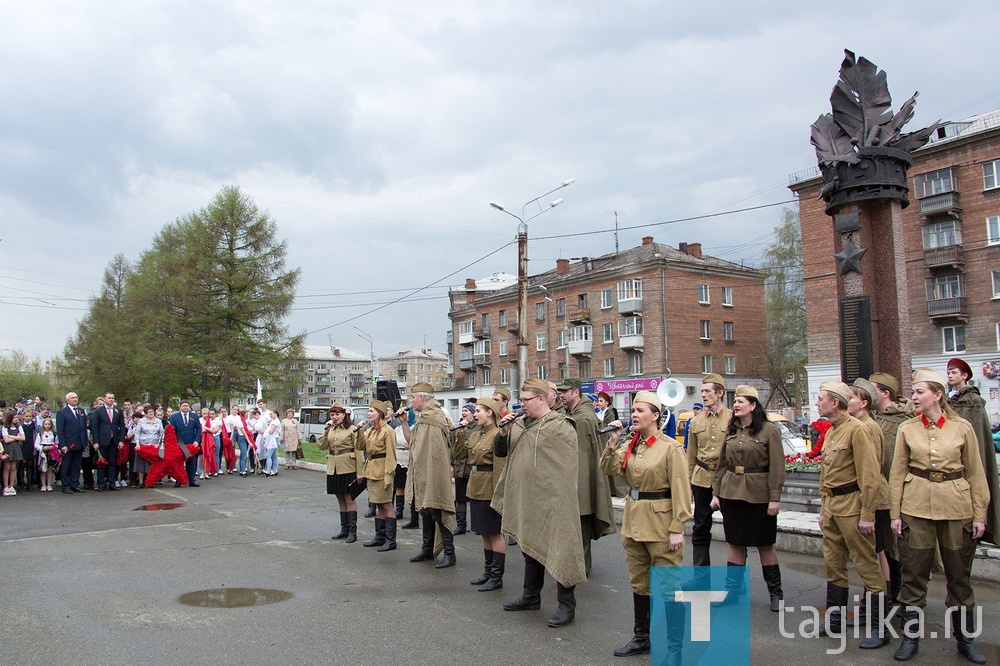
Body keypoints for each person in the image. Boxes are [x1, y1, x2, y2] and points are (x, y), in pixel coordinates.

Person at [890, 368, 990, 663]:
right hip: (916, 507)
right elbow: (897, 474)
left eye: (920, 392)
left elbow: (975, 472)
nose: (914, 397)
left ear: (938, 395)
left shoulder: (961, 428)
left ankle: (965, 639)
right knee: (914, 574)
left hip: (957, 508)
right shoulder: (907, 428)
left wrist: (979, 514)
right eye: (914, 392)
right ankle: (910, 639)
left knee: (959, 576)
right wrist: (895, 513)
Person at [600, 390, 690, 657]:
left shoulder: (670, 448)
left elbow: (682, 491)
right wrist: (612, 441)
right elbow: (609, 468)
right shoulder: (631, 444)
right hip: (635, 521)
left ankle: (675, 646)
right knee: (639, 583)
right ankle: (642, 637)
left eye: (640, 410)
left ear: (655, 415)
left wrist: (677, 528)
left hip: (662, 524)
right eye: (633, 410)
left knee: (669, 587)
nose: (634, 415)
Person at [492, 378, 585, 628]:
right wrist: (502, 433)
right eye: (520, 400)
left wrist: (555, 492)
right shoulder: (520, 424)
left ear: (541, 399)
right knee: (529, 547)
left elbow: (565, 464)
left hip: (555, 500)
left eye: (525, 400)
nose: (521, 404)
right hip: (527, 496)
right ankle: (531, 596)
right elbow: (501, 452)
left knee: (561, 547)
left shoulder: (561, 426)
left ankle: (567, 606)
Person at [814, 381, 886, 649]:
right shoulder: (833, 431)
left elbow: (870, 476)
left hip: (853, 505)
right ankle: (835, 621)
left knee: (867, 564)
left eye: (821, 399)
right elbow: (826, 475)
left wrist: (868, 513)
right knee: (833, 564)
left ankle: (880, 627)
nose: (817, 403)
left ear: (835, 403)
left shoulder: (858, 430)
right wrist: (824, 509)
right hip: (833, 506)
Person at [710, 385, 785, 612]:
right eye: (736, 401)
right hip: (732, 493)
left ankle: (775, 592)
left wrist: (774, 498)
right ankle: (732, 592)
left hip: (759, 494)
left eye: (742, 401)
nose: (737, 405)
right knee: (735, 543)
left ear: (753, 405)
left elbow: (777, 466)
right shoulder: (731, 430)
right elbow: (722, 463)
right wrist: (716, 493)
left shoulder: (769, 430)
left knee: (764, 544)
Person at [558, 378, 616, 576]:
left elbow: (581, 455)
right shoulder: (573, 413)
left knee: (581, 522)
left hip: (580, 479)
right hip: (575, 478)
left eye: (565, 392)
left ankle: (581, 566)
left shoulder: (582, 418)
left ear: (575, 393)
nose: (561, 395)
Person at [869, 371, 915, 606]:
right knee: (885, 543)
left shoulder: (902, 421)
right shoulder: (875, 418)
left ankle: (901, 593)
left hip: (900, 492)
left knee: (900, 545)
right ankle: (890, 592)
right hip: (881, 493)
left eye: (873, 389)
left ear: (885, 393)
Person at [946, 357, 1000, 546]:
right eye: (949, 372)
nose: (950, 375)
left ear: (965, 375)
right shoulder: (950, 399)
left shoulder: (973, 400)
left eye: (954, 372)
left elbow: (976, 431)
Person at [849, 379, 893, 608]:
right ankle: (877, 599)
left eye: (852, 397)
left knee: (876, 551)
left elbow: (873, 467)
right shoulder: (860, 424)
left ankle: (879, 601)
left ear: (864, 403)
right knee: (875, 550)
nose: (847, 401)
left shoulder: (866, 427)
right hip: (872, 496)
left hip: (875, 498)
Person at [404, 382, 457, 568]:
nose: (411, 401)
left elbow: (439, 449)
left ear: (422, 398)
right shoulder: (423, 418)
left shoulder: (435, 417)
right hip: (423, 469)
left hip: (435, 469)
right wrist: (403, 422)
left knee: (438, 507)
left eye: (413, 397)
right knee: (425, 508)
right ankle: (427, 548)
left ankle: (450, 553)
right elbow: (414, 444)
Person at [687, 373, 731, 567]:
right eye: (702, 391)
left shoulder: (733, 419)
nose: (703, 395)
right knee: (700, 527)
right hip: (701, 479)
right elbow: (691, 456)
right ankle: (700, 575)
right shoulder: (696, 422)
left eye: (707, 391)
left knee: (735, 530)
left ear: (720, 393)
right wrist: (688, 484)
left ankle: (734, 579)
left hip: (728, 480)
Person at [465, 398, 507, 592]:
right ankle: (488, 571)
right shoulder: (475, 434)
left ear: (490, 412)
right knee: (484, 531)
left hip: (490, 487)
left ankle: (497, 576)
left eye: (479, 411)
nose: (475, 414)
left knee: (495, 532)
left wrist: (499, 493)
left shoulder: (498, 434)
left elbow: (500, 465)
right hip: (476, 486)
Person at [317, 403, 362, 543]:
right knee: (340, 498)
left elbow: (359, 450)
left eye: (337, 414)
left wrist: (360, 471)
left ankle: (353, 532)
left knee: (350, 499)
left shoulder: (352, 429)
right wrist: (326, 430)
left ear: (344, 415)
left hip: (348, 466)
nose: (335, 417)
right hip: (334, 467)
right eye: (332, 414)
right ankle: (344, 529)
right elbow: (321, 446)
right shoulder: (330, 429)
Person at [359, 400, 398, 552]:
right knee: (378, 503)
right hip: (372, 469)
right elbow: (361, 447)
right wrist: (360, 432)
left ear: (380, 413)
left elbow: (391, 455)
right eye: (368, 411)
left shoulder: (388, 431)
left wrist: (389, 476)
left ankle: (390, 540)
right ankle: (380, 537)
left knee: (387, 504)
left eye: (371, 411)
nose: (368, 414)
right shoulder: (371, 430)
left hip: (382, 470)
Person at [89, 391, 125, 491]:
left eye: (112, 398)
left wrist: (121, 440)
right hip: (102, 440)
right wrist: (96, 442)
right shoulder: (98, 411)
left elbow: (122, 426)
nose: (111, 400)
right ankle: (101, 483)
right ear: (104, 399)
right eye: (109, 398)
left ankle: (112, 482)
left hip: (114, 441)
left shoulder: (118, 411)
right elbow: (94, 427)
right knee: (101, 463)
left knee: (112, 463)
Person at [451, 403, 475, 536]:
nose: (464, 413)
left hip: (472, 467)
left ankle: (477, 524)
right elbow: (454, 450)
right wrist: (451, 464)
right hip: (460, 466)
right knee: (460, 498)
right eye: (462, 410)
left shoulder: (477, 427)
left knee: (475, 497)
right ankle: (461, 525)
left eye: (466, 410)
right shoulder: (459, 428)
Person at [56, 393, 88, 494]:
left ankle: (75, 484)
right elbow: (60, 430)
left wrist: (84, 442)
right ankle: (66, 485)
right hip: (68, 443)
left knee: (76, 465)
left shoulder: (81, 411)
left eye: (76, 398)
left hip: (79, 442)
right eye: (72, 398)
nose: (75, 399)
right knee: (67, 465)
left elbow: (83, 428)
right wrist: (63, 445)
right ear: (67, 400)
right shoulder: (62, 412)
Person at [393, 408, 419, 529]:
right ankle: (399, 510)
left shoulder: (414, 428)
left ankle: (414, 517)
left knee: (412, 488)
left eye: (406, 415)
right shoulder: (397, 429)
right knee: (399, 486)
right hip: (398, 458)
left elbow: (412, 443)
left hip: (410, 457)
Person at [168, 400, 201, 487]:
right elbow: (172, 430)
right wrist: (174, 442)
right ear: (180, 407)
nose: (185, 407)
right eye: (183, 406)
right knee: (179, 463)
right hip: (179, 443)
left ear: (189, 407)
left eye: (187, 405)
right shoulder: (175, 417)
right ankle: (179, 480)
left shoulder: (194, 416)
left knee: (191, 462)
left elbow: (198, 429)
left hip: (191, 443)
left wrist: (197, 440)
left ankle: (191, 480)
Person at [132, 404, 163, 488]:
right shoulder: (141, 421)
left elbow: (161, 434)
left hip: (154, 445)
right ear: (145, 414)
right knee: (141, 464)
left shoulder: (158, 421)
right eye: (149, 412)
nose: (151, 413)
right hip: (143, 445)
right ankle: (141, 482)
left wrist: (158, 444)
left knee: (151, 465)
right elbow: (137, 434)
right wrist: (137, 444)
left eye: (152, 412)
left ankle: (150, 481)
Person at [2, 411, 25, 496]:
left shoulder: (19, 427)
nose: (16, 419)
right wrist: (16, 437)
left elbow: (23, 438)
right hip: (8, 448)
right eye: (14, 417)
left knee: (13, 467)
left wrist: (11, 436)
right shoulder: (5, 427)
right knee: (7, 467)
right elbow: (6, 440)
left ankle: (11, 486)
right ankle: (6, 486)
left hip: (16, 448)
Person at [34, 417, 59, 492]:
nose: (47, 425)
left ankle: (49, 484)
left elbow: (57, 443)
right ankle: (43, 485)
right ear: (43, 425)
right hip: (43, 452)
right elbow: (36, 444)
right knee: (43, 469)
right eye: (46, 424)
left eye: (49, 424)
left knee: (49, 469)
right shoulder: (40, 434)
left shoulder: (54, 434)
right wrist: (42, 448)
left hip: (51, 451)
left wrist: (52, 447)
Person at [199, 407, 220, 479]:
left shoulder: (211, 420)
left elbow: (214, 430)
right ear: (201, 414)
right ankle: (202, 472)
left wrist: (206, 428)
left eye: (206, 414)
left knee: (211, 455)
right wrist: (206, 429)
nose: (205, 415)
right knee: (201, 456)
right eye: (203, 414)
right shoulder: (199, 420)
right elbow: (199, 430)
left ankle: (208, 471)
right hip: (202, 439)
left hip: (210, 440)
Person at [18, 406, 36, 491]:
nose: (28, 418)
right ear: (23, 416)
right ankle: (21, 484)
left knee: (30, 466)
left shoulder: (33, 425)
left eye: (30, 416)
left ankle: (29, 484)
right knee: (21, 466)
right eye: (26, 416)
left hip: (30, 446)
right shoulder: (20, 425)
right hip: (22, 446)